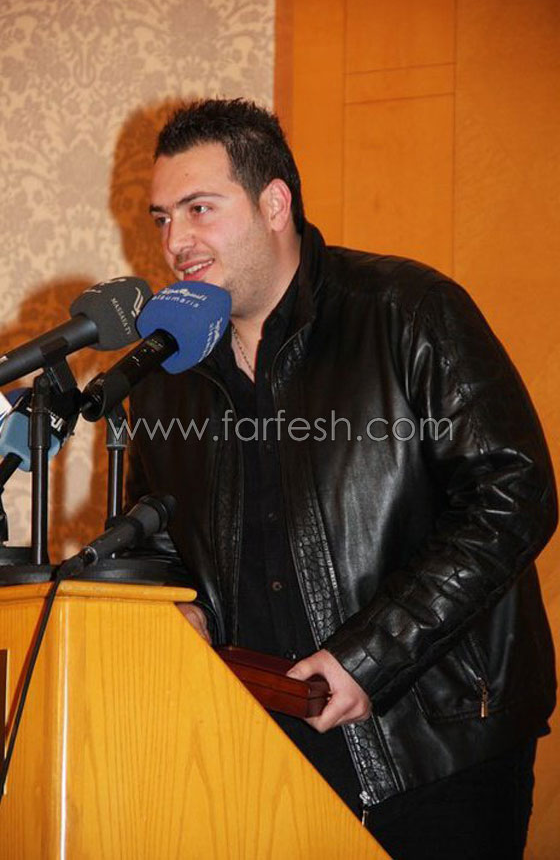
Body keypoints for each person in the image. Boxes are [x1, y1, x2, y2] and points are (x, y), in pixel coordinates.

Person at [126, 98, 557, 858]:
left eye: (199, 208)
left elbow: (512, 494)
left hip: (433, 745)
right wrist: (178, 607)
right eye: (163, 218)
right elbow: (152, 537)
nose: (175, 242)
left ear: (275, 203)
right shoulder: (166, 374)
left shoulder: (406, 310)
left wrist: (370, 656)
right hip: (257, 745)